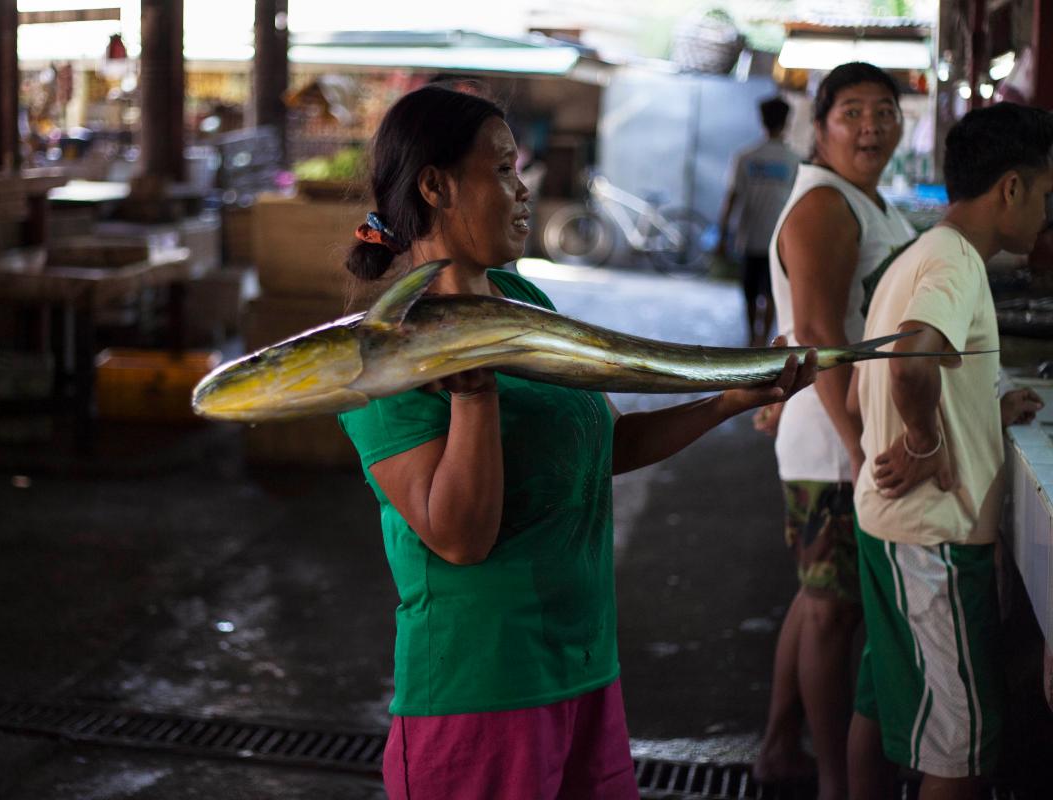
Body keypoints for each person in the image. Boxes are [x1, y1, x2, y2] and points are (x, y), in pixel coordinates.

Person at [336, 84, 818, 799]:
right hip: (483, 691)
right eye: (501, 170)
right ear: (435, 186)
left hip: (584, 665)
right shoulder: (385, 352)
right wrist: (474, 391)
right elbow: (460, 537)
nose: (524, 189)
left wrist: (726, 401)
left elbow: (604, 446)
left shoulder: (524, 301)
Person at [847, 102, 1049, 800]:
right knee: (960, 752)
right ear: (1012, 189)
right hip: (931, 540)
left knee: (881, 699)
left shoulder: (922, 254)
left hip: (894, 529)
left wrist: (978, 414)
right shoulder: (957, 264)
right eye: (1048, 196)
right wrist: (928, 441)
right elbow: (909, 364)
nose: (1047, 216)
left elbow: (864, 391)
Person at [756, 62, 917, 799]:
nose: (872, 126)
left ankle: (780, 745)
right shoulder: (823, 204)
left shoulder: (859, 196)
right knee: (833, 612)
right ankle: (831, 780)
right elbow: (819, 333)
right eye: (851, 112)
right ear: (818, 128)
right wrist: (858, 445)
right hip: (833, 437)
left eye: (884, 110)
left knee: (818, 597)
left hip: (834, 428)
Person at [716, 96, 800, 346]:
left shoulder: (745, 156)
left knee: (750, 292)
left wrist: (722, 234)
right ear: (787, 122)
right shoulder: (794, 160)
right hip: (780, 242)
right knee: (773, 292)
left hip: (750, 237)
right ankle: (763, 337)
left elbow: (732, 198)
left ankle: (754, 336)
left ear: (761, 120)